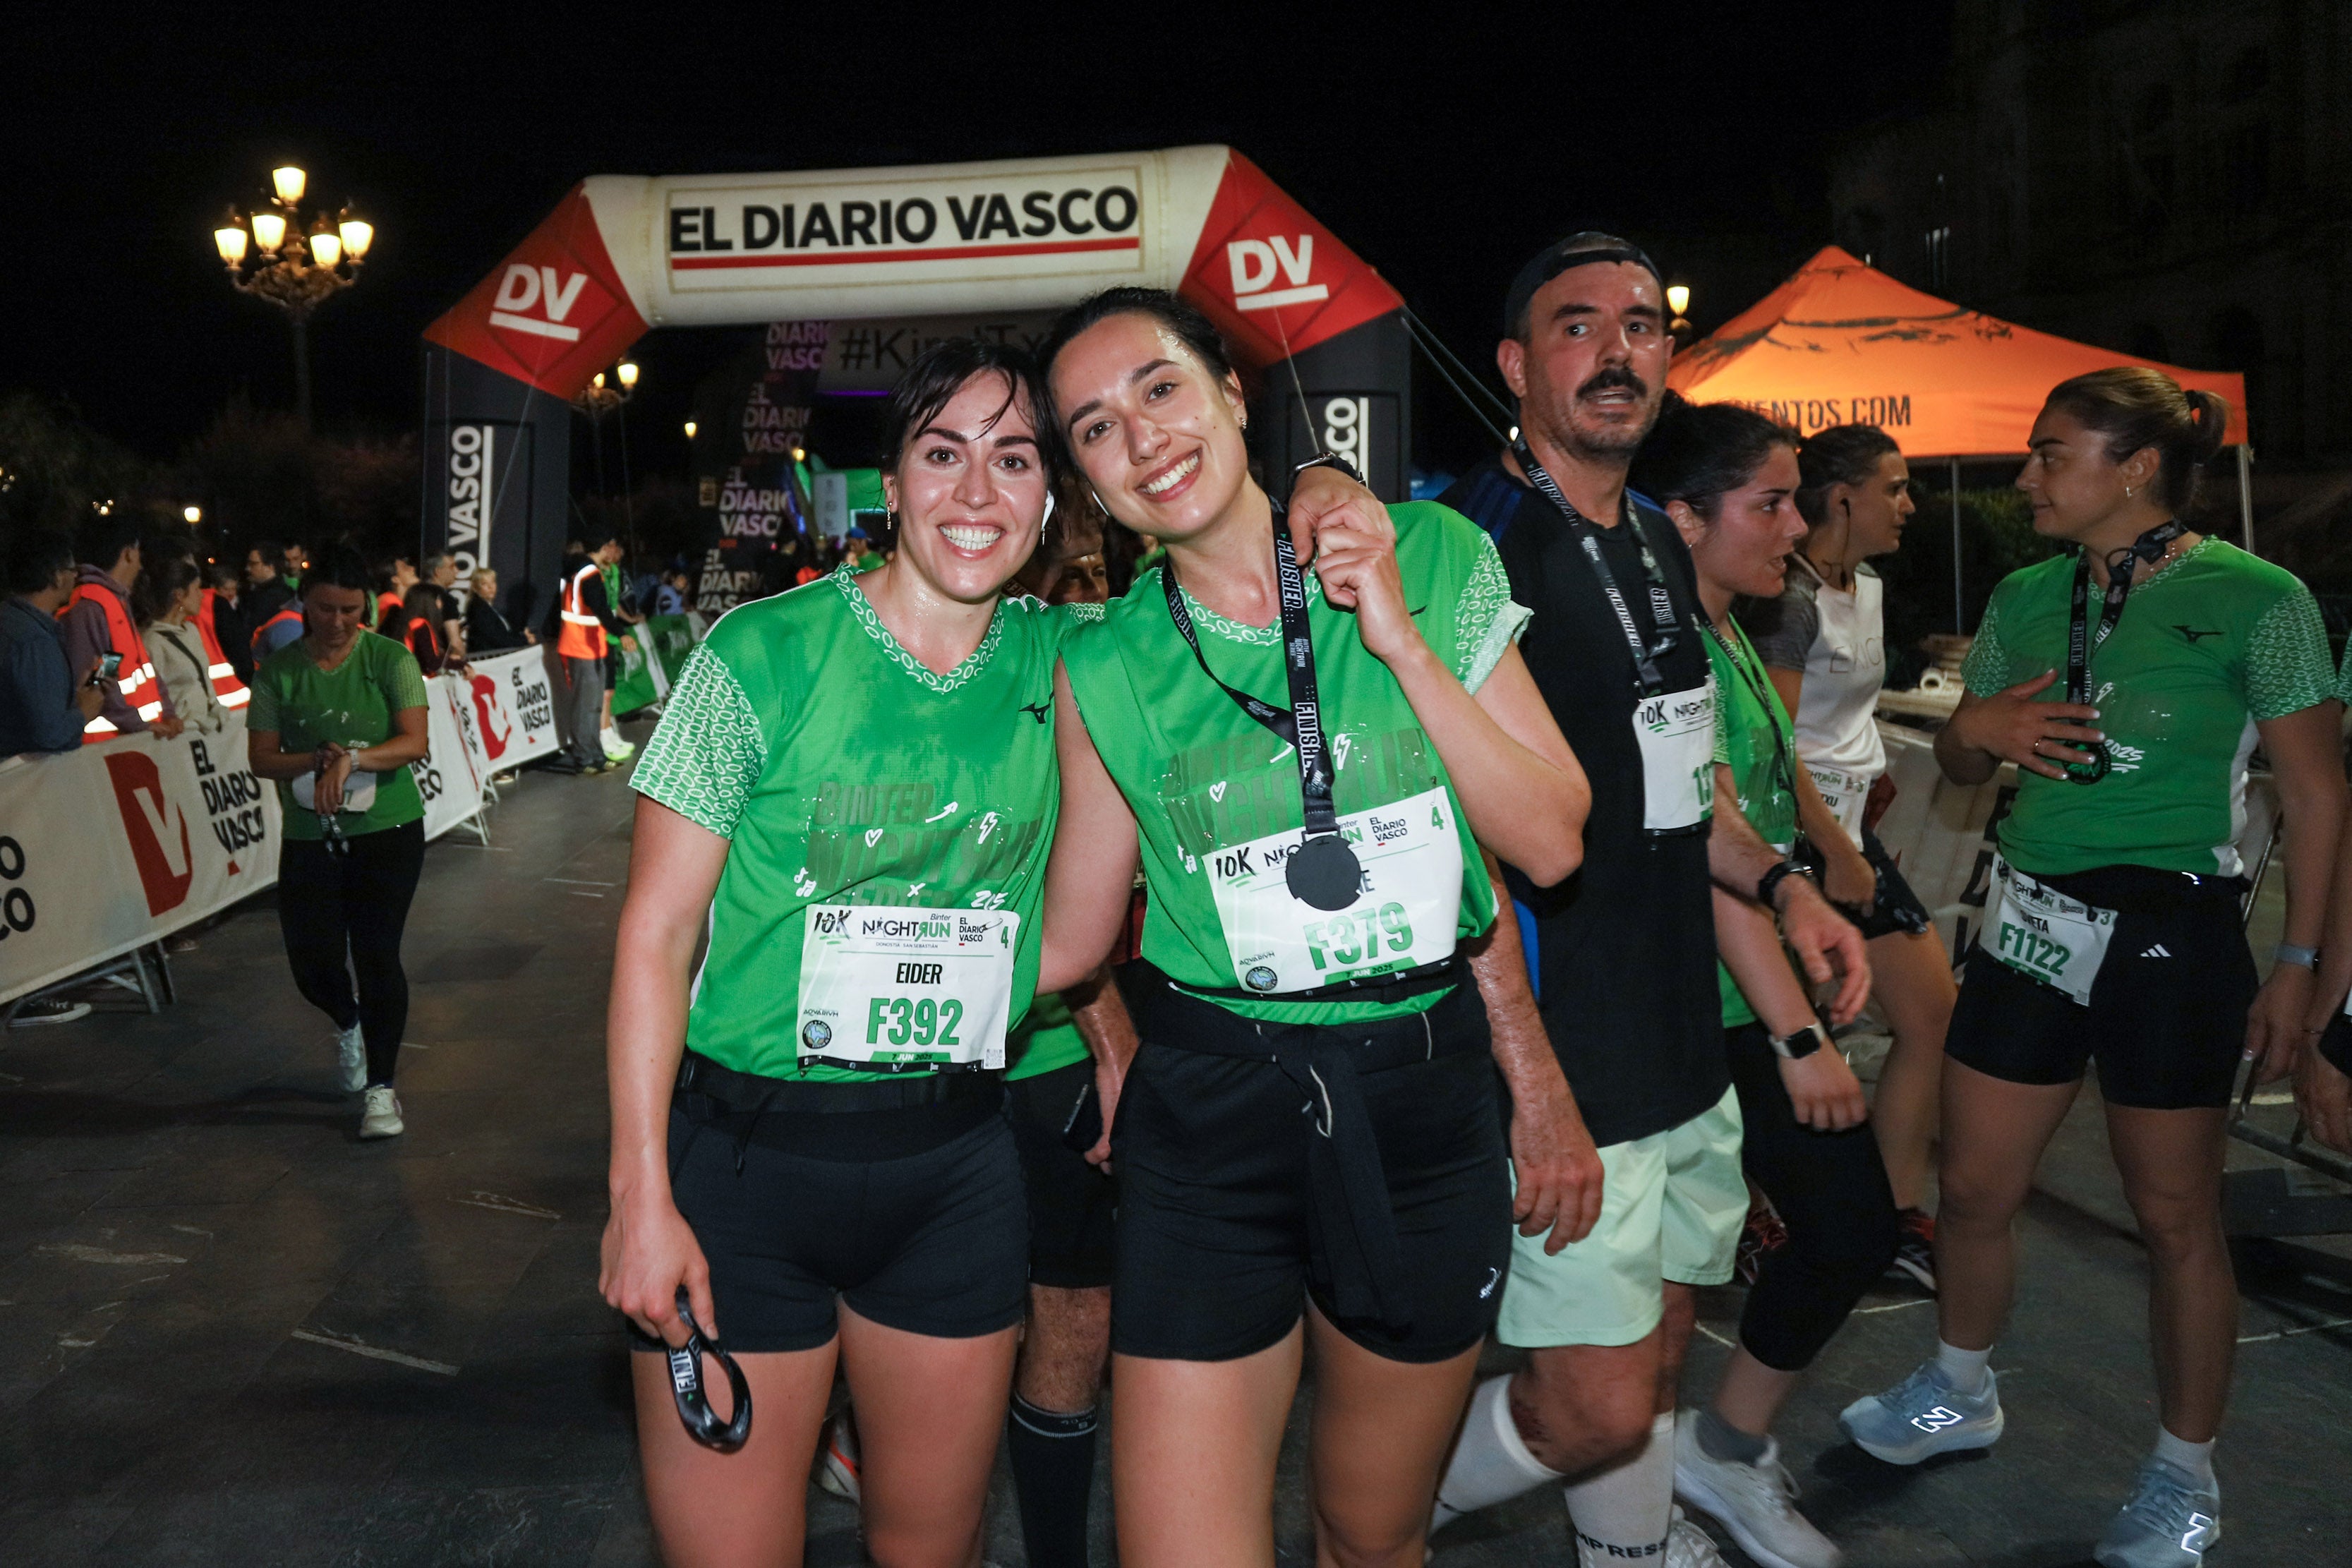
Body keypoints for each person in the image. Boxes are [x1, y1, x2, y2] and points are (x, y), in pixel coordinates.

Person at [1035, 287, 1590, 1568]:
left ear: (1231, 394)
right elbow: (1067, 945)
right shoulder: (1103, 658)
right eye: (1095, 428)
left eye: (1159, 388)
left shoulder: (1431, 554)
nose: (1141, 437)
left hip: (1418, 1105)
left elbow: (1551, 836)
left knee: (1370, 1535)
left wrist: (1395, 639)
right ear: (1087, 481)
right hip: (1211, 1118)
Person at [1838, 369, 2346, 1567]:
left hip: (2174, 930)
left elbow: (2320, 797)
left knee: (2173, 1217)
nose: (2026, 480)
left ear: (2132, 468)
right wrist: (1980, 732)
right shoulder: (2026, 592)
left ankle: (2183, 1475)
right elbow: (1960, 763)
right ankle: (1960, 1383)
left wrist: (2297, 970)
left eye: (2049, 454)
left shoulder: (2256, 599)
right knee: (1970, 1187)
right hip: (2026, 916)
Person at [1428, 234, 1869, 1568]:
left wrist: (1785, 884)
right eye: (1577, 326)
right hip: (1566, 1042)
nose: (1615, 349)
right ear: (1513, 364)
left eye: (1639, 325)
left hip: (1681, 1025)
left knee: (1663, 1348)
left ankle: (1626, 1552)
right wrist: (1529, 1077)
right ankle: (1371, 1511)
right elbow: (1438, 842)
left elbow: (1692, 791)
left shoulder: (1659, 549)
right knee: (1591, 1400)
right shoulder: (1464, 548)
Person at [1634, 394, 1900, 1568]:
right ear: (1683, 518)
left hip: (1752, 987)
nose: (1795, 526)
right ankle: (1657, 1489)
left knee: (1820, 1233)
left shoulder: (1728, 623)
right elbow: (1701, 836)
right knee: (1798, 1239)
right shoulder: (1663, 641)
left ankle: (1714, 1451)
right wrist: (1801, 1039)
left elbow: (1760, 761)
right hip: (1697, 1007)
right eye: (1770, 501)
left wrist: (1827, 855)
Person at [1740, 423, 1958, 1291]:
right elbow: (1770, 738)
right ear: (1845, 498)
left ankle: (1894, 1212)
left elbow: (1841, 723)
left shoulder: (1862, 584)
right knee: (1782, 1036)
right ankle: (1763, 1217)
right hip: (1799, 844)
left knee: (1931, 1012)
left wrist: (1869, 784)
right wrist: (1834, 846)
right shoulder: (1788, 599)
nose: (1909, 505)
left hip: (1847, 834)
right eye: (1896, 487)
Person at [245, 545, 433, 1140]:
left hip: (388, 832)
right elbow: (262, 758)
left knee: (378, 956)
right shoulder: (278, 671)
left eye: (352, 610)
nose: (339, 622)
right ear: (305, 602)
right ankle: (345, 1019)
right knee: (312, 964)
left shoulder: (390, 659)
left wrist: (353, 759)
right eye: (326, 608)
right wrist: (319, 758)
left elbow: (414, 742)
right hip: (309, 837)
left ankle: (381, 1091)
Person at [61, 514, 181, 743]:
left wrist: (167, 713)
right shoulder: (92, 605)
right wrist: (138, 725)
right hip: (109, 747)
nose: (140, 564)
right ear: (128, 553)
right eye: (139, 555)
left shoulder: (112, 602)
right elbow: (97, 680)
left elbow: (134, 664)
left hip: (136, 739)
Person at [1, 528, 105, 757]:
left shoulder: (11, 623)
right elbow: (50, 735)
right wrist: (84, 713)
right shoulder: (34, 640)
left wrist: (71, 696)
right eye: (73, 570)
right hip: (27, 783)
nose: (76, 577)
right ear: (57, 576)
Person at [555, 531, 631, 775]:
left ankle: (596, 755)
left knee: (594, 705)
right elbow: (600, 608)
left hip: (591, 645)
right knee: (585, 706)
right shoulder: (588, 573)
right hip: (581, 646)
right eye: (612, 546)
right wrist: (621, 633)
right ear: (603, 547)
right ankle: (585, 757)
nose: (615, 552)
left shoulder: (583, 571)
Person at [141, 556, 231, 735]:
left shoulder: (191, 631)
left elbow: (204, 680)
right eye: (196, 589)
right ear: (179, 595)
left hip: (207, 732)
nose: (202, 594)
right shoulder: (152, 641)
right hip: (180, 738)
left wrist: (216, 709)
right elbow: (154, 697)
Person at [463, 568, 532, 651]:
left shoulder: (484, 607)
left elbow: (501, 635)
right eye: (484, 584)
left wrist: (523, 636)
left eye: (493, 582)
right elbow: (497, 640)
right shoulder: (479, 608)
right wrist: (525, 640)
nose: (491, 587)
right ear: (475, 587)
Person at [423, 553, 467, 658]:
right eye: (452, 566)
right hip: (436, 666)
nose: (457, 571)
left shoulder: (414, 595)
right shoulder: (447, 600)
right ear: (438, 571)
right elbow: (455, 643)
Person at [377, 555, 418, 627]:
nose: (412, 568)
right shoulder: (390, 603)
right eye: (405, 568)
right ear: (395, 579)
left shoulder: (395, 601)